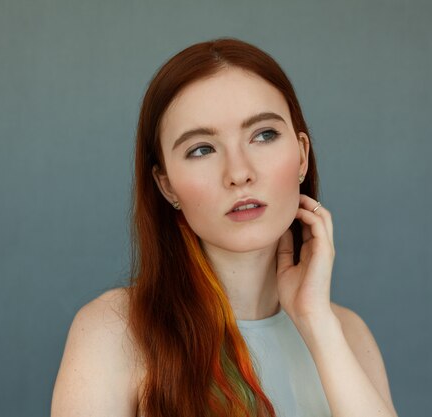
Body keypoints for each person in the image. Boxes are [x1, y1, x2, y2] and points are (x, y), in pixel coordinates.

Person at [51, 38, 398, 417]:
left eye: (263, 135)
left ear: (301, 155)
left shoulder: (347, 333)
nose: (239, 173)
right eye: (201, 149)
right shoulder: (113, 331)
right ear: (166, 185)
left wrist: (318, 325)